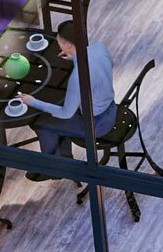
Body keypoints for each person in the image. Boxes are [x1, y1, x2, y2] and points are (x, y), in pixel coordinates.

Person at [26, 19, 116, 160]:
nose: (59, 46)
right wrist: (74, 58)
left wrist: (33, 102)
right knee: (56, 113)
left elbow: (66, 114)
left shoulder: (77, 77)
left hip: (96, 124)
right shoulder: (99, 48)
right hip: (111, 108)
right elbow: (106, 65)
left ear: (68, 45)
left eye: (60, 44)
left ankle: (56, 167)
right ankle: (65, 156)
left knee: (41, 123)